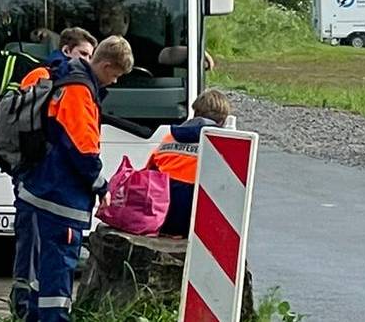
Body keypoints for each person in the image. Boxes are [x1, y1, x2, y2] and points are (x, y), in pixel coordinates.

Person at [14, 36, 134, 322]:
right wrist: (100, 183)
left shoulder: (64, 78)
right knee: (57, 277)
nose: (114, 82)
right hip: (59, 197)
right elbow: (82, 147)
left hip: (40, 190)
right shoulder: (79, 90)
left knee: (38, 279)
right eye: (115, 74)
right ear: (104, 65)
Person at [10, 27, 95, 318]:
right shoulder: (49, 77)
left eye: (91, 56)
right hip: (38, 176)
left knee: (36, 247)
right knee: (32, 245)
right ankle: (22, 304)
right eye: (83, 53)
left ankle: (26, 305)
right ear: (67, 49)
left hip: (36, 174)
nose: (87, 60)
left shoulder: (57, 77)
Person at [149, 90, 232, 237]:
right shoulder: (221, 145)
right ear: (222, 121)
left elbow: (149, 174)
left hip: (162, 217)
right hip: (198, 221)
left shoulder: (169, 138)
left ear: (195, 113)